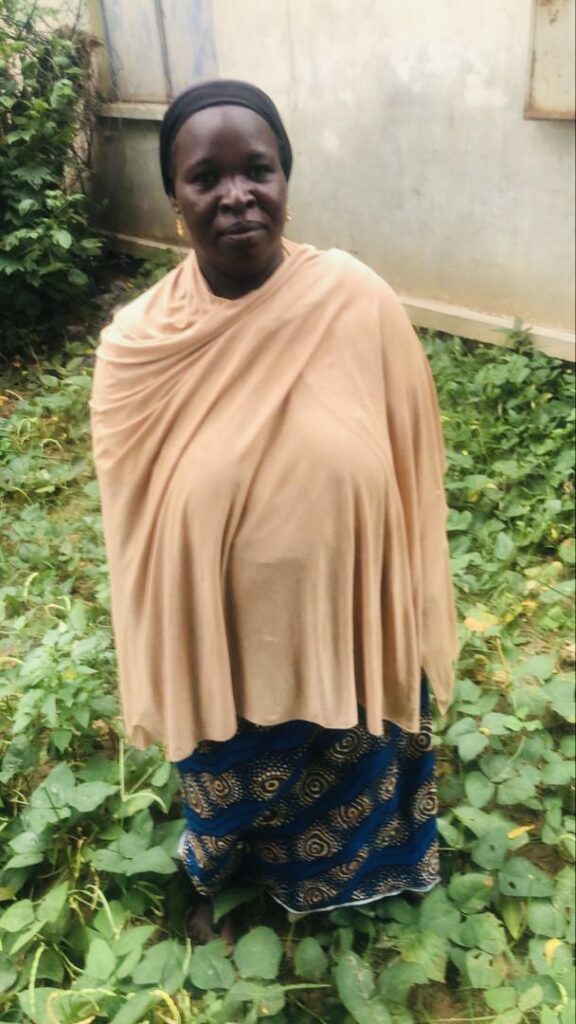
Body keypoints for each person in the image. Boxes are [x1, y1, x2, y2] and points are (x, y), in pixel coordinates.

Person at [91, 80, 457, 935]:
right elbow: (134, 525)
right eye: (205, 177)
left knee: (354, 746)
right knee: (232, 754)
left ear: (286, 179)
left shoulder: (355, 300)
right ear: (174, 196)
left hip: (345, 615)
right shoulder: (138, 347)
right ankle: (225, 865)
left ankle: (364, 864)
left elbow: (410, 463)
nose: (235, 195)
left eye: (257, 169)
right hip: (220, 632)